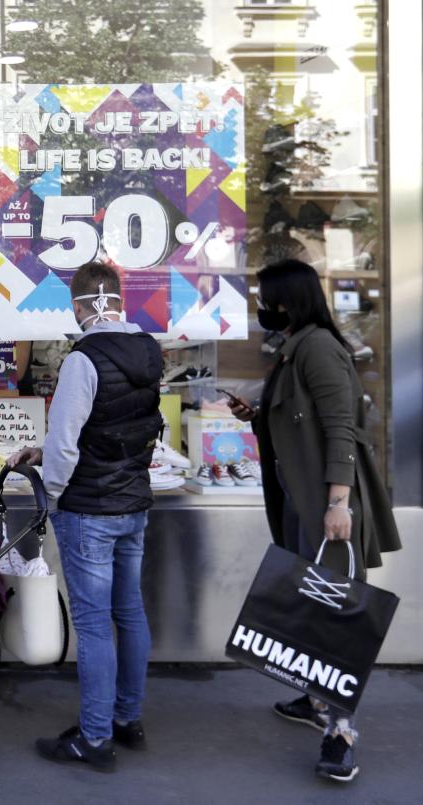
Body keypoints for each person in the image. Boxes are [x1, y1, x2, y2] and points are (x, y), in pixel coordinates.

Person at [227, 258, 401, 783]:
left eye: (266, 298)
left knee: (336, 617)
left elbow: (342, 428)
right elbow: (293, 417)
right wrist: (254, 415)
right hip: (306, 502)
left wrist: (338, 503)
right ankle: (315, 699)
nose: (262, 307)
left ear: (288, 301)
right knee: (314, 602)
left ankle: (341, 733)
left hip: (326, 505)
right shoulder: (296, 346)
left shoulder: (319, 348)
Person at [9, 262, 163, 773]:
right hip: (133, 503)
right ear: (118, 300)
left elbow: (68, 442)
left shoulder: (83, 358)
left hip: (89, 511)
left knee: (95, 625)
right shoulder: (148, 349)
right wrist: (46, 450)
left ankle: (95, 740)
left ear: (80, 306)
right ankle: (127, 719)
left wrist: (50, 494)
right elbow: (119, 426)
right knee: (130, 613)